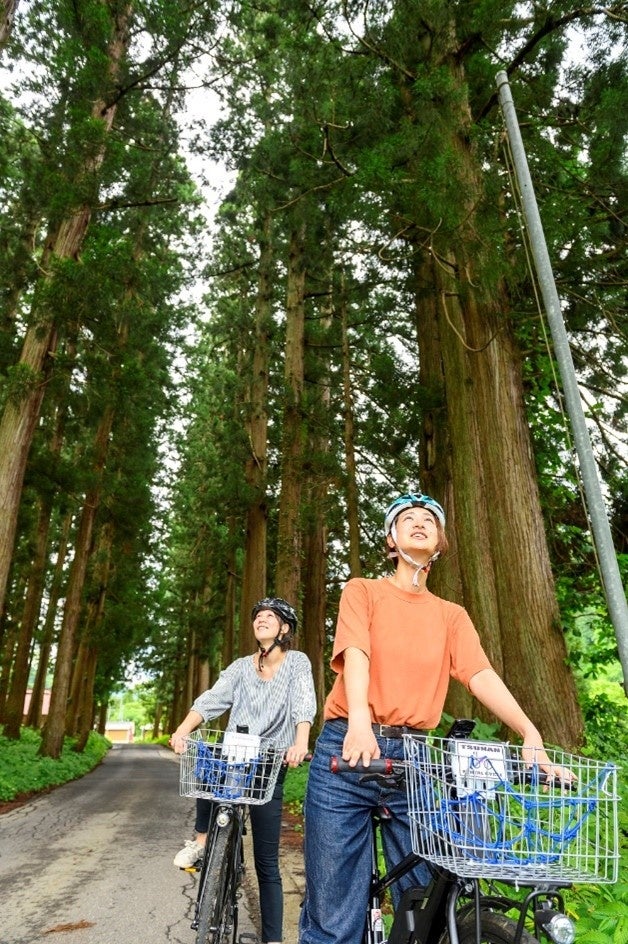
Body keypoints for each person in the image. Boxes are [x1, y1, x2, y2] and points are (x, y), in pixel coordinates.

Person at [298, 493, 574, 944]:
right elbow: (356, 654)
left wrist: (530, 731)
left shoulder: (451, 616)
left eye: (430, 519)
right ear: (391, 539)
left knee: (425, 898)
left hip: (413, 756)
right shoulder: (363, 590)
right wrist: (361, 722)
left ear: (440, 542)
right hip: (345, 750)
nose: (420, 522)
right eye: (408, 518)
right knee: (335, 909)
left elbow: (480, 675)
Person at [170, 597, 316, 944]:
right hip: (235, 756)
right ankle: (203, 842)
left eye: (270, 617)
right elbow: (211, 700)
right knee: (207, 755)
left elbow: (303, 702)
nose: (261, 620)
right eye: (258, 617)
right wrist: (181, 730)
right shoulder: (239, 667)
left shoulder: (296, 663)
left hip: (269, 762)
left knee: (266, 862)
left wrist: (300, 742)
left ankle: (274, 939)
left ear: (284, 629)